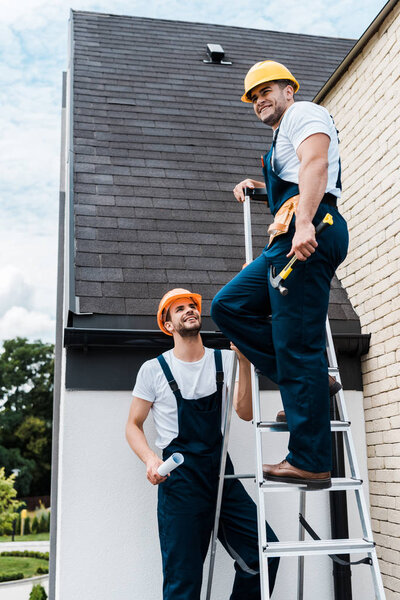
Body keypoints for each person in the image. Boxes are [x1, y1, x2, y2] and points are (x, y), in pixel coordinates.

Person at [211, 60, 349, 490]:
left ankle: (309, 460)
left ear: (289, 89)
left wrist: (305, 222)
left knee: (298, 343)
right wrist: (260, 184)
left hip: (307, 230)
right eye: (253, 96)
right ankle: (308, 383)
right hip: (286, 235)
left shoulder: (305, 113)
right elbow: (294, 172)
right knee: (228, 307)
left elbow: (315, 165)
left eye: (266, 90)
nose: (259, 100)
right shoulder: (278, 137)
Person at [126, 288, 279, 600]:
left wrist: (245, 362)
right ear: (168, 324)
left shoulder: (226, 360)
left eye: (191, 306)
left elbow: (245, 412)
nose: (188, 311)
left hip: (222, 474)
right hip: (181, 485)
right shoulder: (153, 370)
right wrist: (150, 460)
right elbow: (133, 425)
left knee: (264, 553)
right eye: (179, 309)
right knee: (183, 583)